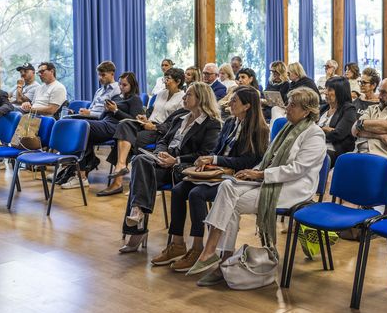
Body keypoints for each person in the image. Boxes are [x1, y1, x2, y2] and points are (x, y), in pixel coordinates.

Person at [184, 87, 327, 282]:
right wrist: (252, 173)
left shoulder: (314, 134)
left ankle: (217, 259)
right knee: (227, 187)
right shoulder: (287, 128)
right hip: (270, 179)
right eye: (288, 103)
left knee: (230, 204)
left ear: (307, 111)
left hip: (294, 188)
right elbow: (269, 159)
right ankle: (216, 255)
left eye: (293, 105)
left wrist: (259, 174)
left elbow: (297, 169)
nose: (287, 108)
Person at [147, 86, 270, 274]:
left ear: (246, 106)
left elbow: (248, 161)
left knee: (196, 194)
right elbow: (217, 150)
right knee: (179, 190)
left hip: (235, 177)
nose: (230, 103)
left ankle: (197, 248)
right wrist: (207, 161)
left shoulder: (259, 130)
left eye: (235, 101)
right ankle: (177, 243)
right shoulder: (230, 123)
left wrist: (214, 159)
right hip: (216, 171)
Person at [119, 82, 223, 253]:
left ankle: (137, 224)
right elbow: (163, 140)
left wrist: (175, 160)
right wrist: (160, 154)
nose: (184, 97)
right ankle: (138, 212)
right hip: (164, 162)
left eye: (188, 94)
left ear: (201, 98)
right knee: (140, 161)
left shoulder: (211, 123)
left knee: (140, 173)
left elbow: (205, 153)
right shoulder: (180, 117)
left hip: (183, 167)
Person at [64, 72, 144, 194]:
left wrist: (115, 110)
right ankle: (80, 171)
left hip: (116, 127)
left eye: (125, 85)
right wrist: (106, 110)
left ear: (132, 86)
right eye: (120, 84)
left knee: (82, 126)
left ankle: (78, 169)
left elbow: (134, 120)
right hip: (104, 123)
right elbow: (102, 117)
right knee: (75, 124)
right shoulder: (117, 97)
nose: (122, 87)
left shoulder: (135, 99)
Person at [107, 67, 185, 188]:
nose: (164, 81)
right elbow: (151, 111)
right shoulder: (160, 94)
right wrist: (144, 117)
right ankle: (121, 166)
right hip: (147, 124)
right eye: (164, 78)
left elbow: (175, 124)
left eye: (168, 79)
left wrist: (154, 127)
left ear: (178, 81)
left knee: (125, 139)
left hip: (160, 132)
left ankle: (118, 181)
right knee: (124, 124)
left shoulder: (182, 99)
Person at [319, 76, 359, 166]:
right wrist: (325, 129)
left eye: (329, 90)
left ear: (340, 92)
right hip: (318, 145)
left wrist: (317, 131)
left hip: (334, 150)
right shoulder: (323, 108)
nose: (325, 92)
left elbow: (338, 134)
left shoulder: (349, 109)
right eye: (326, 89)